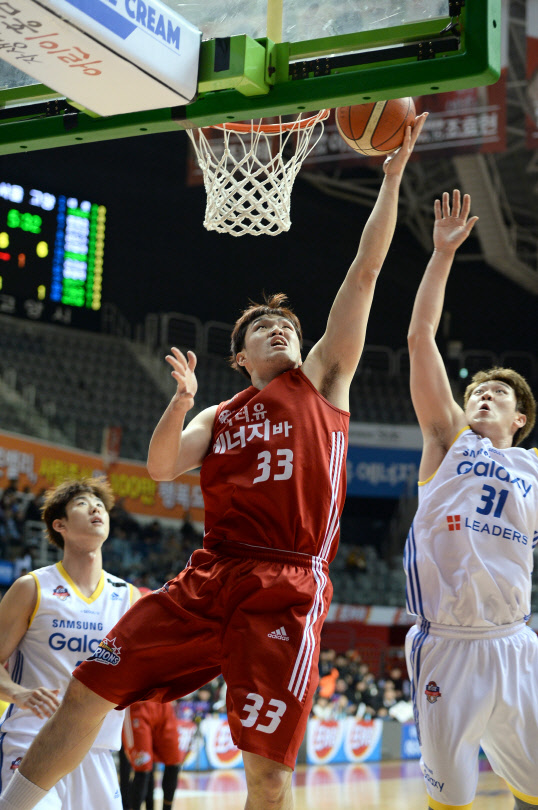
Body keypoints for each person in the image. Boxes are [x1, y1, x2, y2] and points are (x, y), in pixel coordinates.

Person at [0, 111, 427, 810]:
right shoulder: (218, 414)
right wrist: (182, 399)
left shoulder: (322, 380)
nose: (281, 328)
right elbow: (163, 467)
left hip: (284, 583)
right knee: (88, 689)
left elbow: (366, 271)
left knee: (265, 772)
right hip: (209, 576)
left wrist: (394, 176)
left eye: (288, 324)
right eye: (265, 326)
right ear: (241, 356)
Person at [404, 189, 538, 810]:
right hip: (448, 644)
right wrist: (442, 255)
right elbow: (420, 335)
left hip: (516, 641)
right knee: (451, 802)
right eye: (477, 390)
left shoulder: (533, 469)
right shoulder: (447, 441)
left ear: (521, 419)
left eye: (497, 395)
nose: (482, 396)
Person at [0, 477, 140, 809]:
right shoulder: (32, 588)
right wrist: (19, 693)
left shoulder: (129, 597)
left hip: (98, 748)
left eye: (101, 505)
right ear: (59, 525)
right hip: (32, 741)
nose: (95, 508)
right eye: (82, 503)